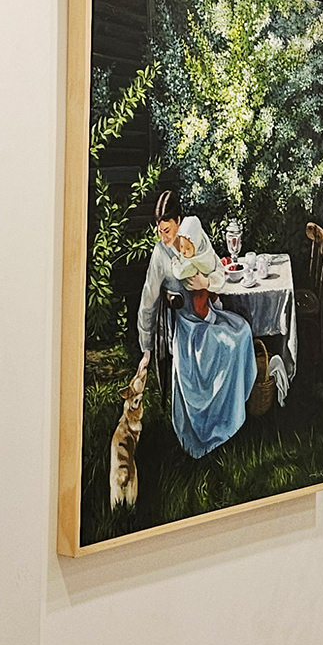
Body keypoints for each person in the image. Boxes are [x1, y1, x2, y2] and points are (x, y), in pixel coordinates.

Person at [136, 190, 257, 458]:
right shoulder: (160, 254)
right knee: (225, 345)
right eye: (160, 231)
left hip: (208, 314)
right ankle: (207, 428)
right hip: (185, 324)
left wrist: (206, 282)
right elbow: (148, 299)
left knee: (242, 334)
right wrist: (146, 346)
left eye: (167, 230)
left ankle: (230, 416)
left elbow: (218, 272)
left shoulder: (195, 238)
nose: (163, 237)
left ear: (179, 222)